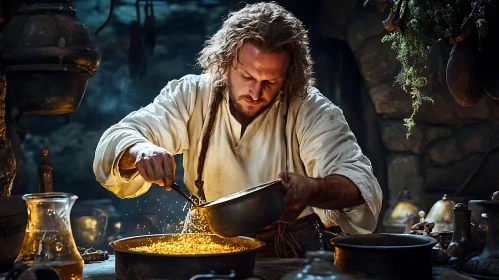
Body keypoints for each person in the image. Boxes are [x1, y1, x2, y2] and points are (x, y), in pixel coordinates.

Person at [93, 2, 382, 258]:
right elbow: (122, 135)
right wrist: (141, 150)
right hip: (206, 251)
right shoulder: (192, 96)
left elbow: (359, 183)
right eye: (247, 76)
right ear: (225, 61)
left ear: (290, 75)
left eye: (271, 81)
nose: (256, 92)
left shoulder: (311, 109)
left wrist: (313, 190)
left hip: (289, 255)